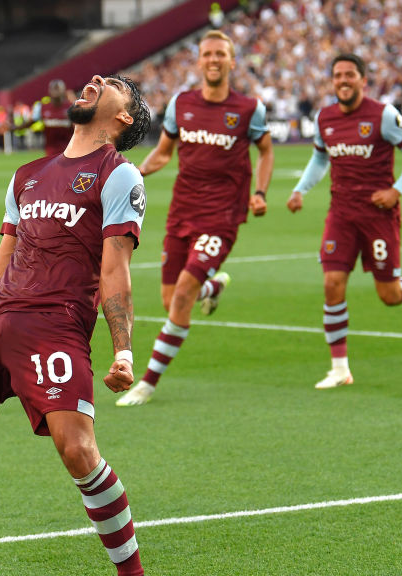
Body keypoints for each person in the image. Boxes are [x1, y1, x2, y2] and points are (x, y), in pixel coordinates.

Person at [0, 74, 151, 576]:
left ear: (124, 117)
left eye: (109, 84)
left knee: (78, 450)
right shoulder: (26, 174)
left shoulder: (119, 174)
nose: (93, 81)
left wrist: (123, 350)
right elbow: (0, 268)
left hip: (54, 325)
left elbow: (115, 271)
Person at [116, 30, 273, 407]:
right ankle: (212, 288)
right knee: (172, 300)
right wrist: (134, 172)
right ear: (199, 61)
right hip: (182, 212)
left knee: (183, 293)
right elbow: (164, 153)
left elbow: (266, 152)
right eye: (208, 53)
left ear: (232, 61)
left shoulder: (250, 109)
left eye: (221, 53)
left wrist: (260, 192)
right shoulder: (182, 104)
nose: (214, 59)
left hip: (222, 215)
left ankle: (148, 382)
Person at [285, 53, 402, 389]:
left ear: (362, 81)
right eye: (337, 75)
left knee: (389, 294)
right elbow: (319, 158)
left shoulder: (382, 115)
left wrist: (396, 191)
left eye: (350, 75)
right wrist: (300, 190)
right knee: (332, 284)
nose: (343, 80)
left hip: (378, 217)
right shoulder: (325, 118)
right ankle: (339, 369)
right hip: (341, 215)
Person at [31, 78, 76, 156]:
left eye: (58, 88)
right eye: (54, 88)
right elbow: (30, 122)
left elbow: (80, 127)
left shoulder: (72, 107)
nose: (56, 91)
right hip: (50, 153)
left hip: (69, 152)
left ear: (64, 91)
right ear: (49, 91)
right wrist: (13, 127)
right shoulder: (41, 107)